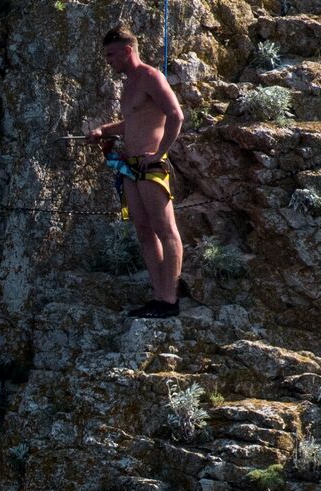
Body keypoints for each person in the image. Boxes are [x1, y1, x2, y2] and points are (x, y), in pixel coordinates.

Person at [90, 24, 187, 319]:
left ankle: (170, 299)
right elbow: (133, 122)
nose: (108, 61)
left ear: (127, 51)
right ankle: (159, 296)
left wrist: (159, 152)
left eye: (111, 55)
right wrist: (104, 130)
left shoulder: (150, 77)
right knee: (144, 232)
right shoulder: (129, 83)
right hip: (131, 167)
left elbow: (175, 115)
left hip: (151, 164)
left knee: (165, 230)